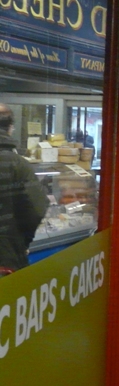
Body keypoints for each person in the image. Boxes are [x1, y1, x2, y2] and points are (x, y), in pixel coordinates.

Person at [0, 104, 49, 272]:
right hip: (6, 257)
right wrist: (23, 241)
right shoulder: (19, 164)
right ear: (10, 128)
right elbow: (36, 208)